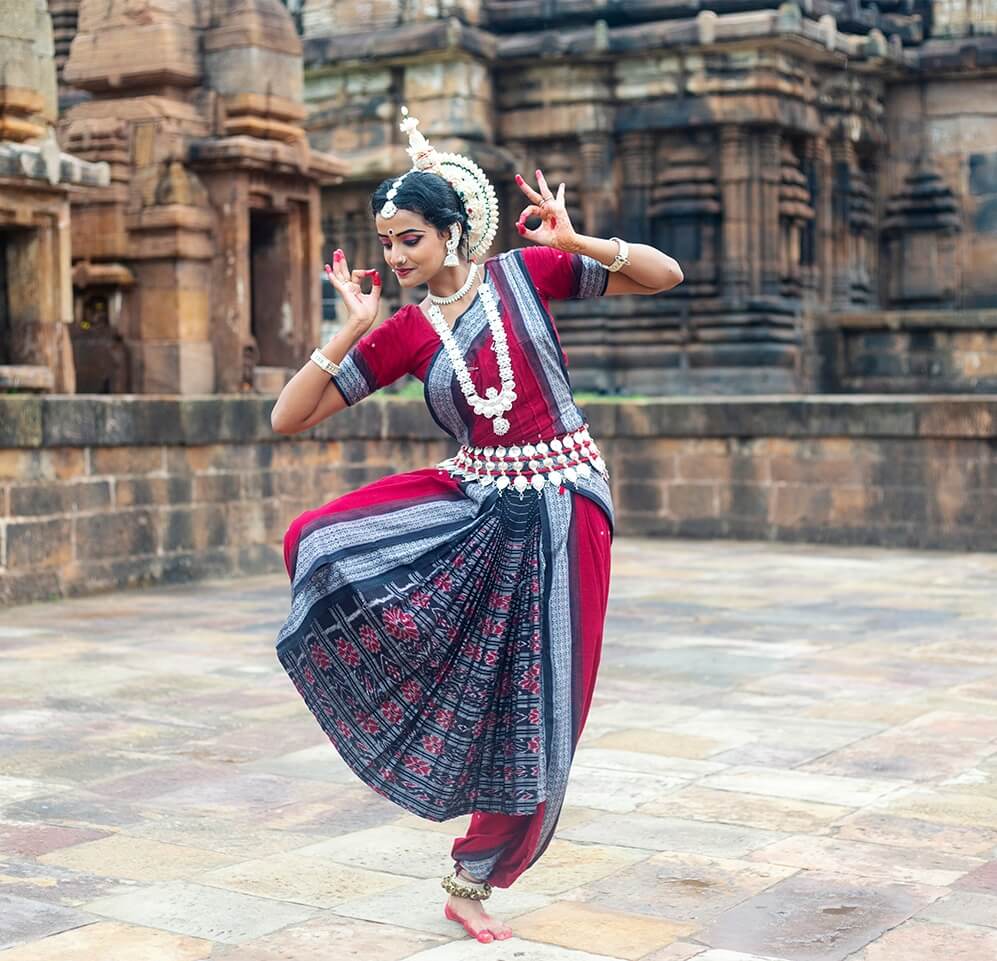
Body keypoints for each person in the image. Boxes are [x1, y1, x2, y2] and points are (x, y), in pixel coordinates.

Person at [270, 107, 683, 944]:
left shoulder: (528, 274)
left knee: (546, 700)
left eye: (410, 239)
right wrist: (347, 331)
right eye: (387, 243)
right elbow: (288, 417)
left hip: (565, 506)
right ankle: (415, 710)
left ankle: (474, 879)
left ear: (452, 231)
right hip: (476, 507)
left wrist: (576, 239)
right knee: (316, 539)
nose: (396, 256)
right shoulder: (404, 333)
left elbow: (663, 274)